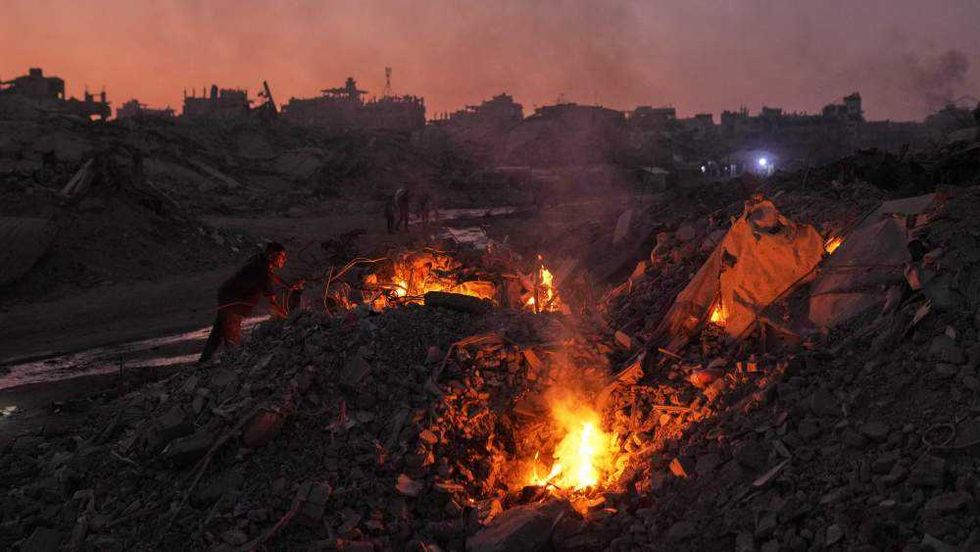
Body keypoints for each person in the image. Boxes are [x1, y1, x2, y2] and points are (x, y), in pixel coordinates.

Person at [199, 242, 303, 363]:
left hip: (227, 297)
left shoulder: (260, 260)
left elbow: (271, 276)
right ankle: (232, 368)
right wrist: (288, 317)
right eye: (282, 256)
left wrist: (288, 286)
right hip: (233, 303)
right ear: (272, 255)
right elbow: (272, 301)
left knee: (218, 332)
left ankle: (203, 361)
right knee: (233, 340)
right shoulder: (262, 271)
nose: (284, 260)